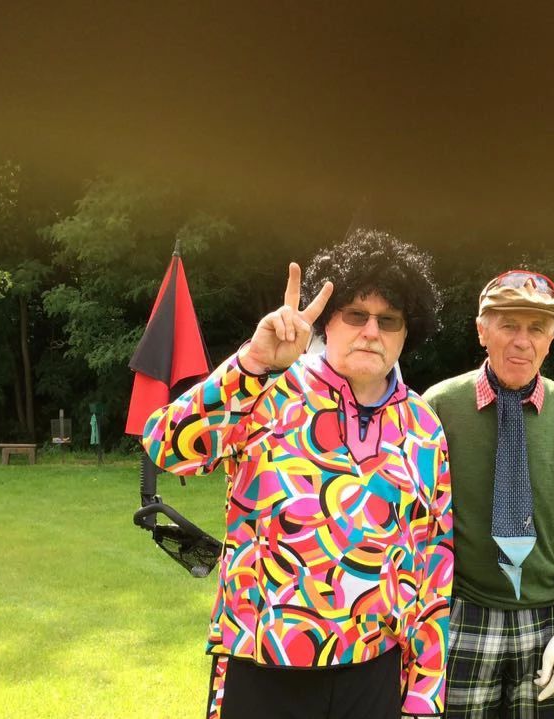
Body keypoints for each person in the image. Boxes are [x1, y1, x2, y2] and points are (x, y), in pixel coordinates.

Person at [142, 230, 453, 719]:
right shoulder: (265, 391)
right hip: (263, 663)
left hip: (373, 670)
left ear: (406, 331)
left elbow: (435, 562)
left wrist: (424, 694)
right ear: (329, 321)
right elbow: (167, 446)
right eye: (356, 314)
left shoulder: (424, 426)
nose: (371, 331)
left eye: (388, 319)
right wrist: (253, 362)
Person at [422, 270, 554, 719]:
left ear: (551, 340)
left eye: (536, 328)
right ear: (482, 331)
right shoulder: (439, 406)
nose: (523, 341)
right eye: (509, 325)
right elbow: (417, 519)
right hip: (460, 613)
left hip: (548, 621)